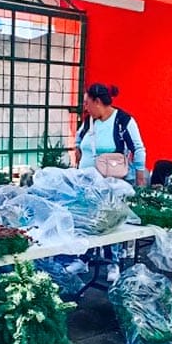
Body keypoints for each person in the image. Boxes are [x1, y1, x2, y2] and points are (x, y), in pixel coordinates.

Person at [74, 83, 147, 282]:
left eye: (87, 103)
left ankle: (113, 263)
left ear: (98, 102)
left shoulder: (123, 121)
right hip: (87, 182)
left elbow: (138, 149)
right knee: (86, 220)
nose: (85, 107)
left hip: (111, 183)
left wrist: (140, 177)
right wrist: (80, 156)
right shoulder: (90, 121)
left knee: (111, 222)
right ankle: (84, 258)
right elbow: (78, 140)